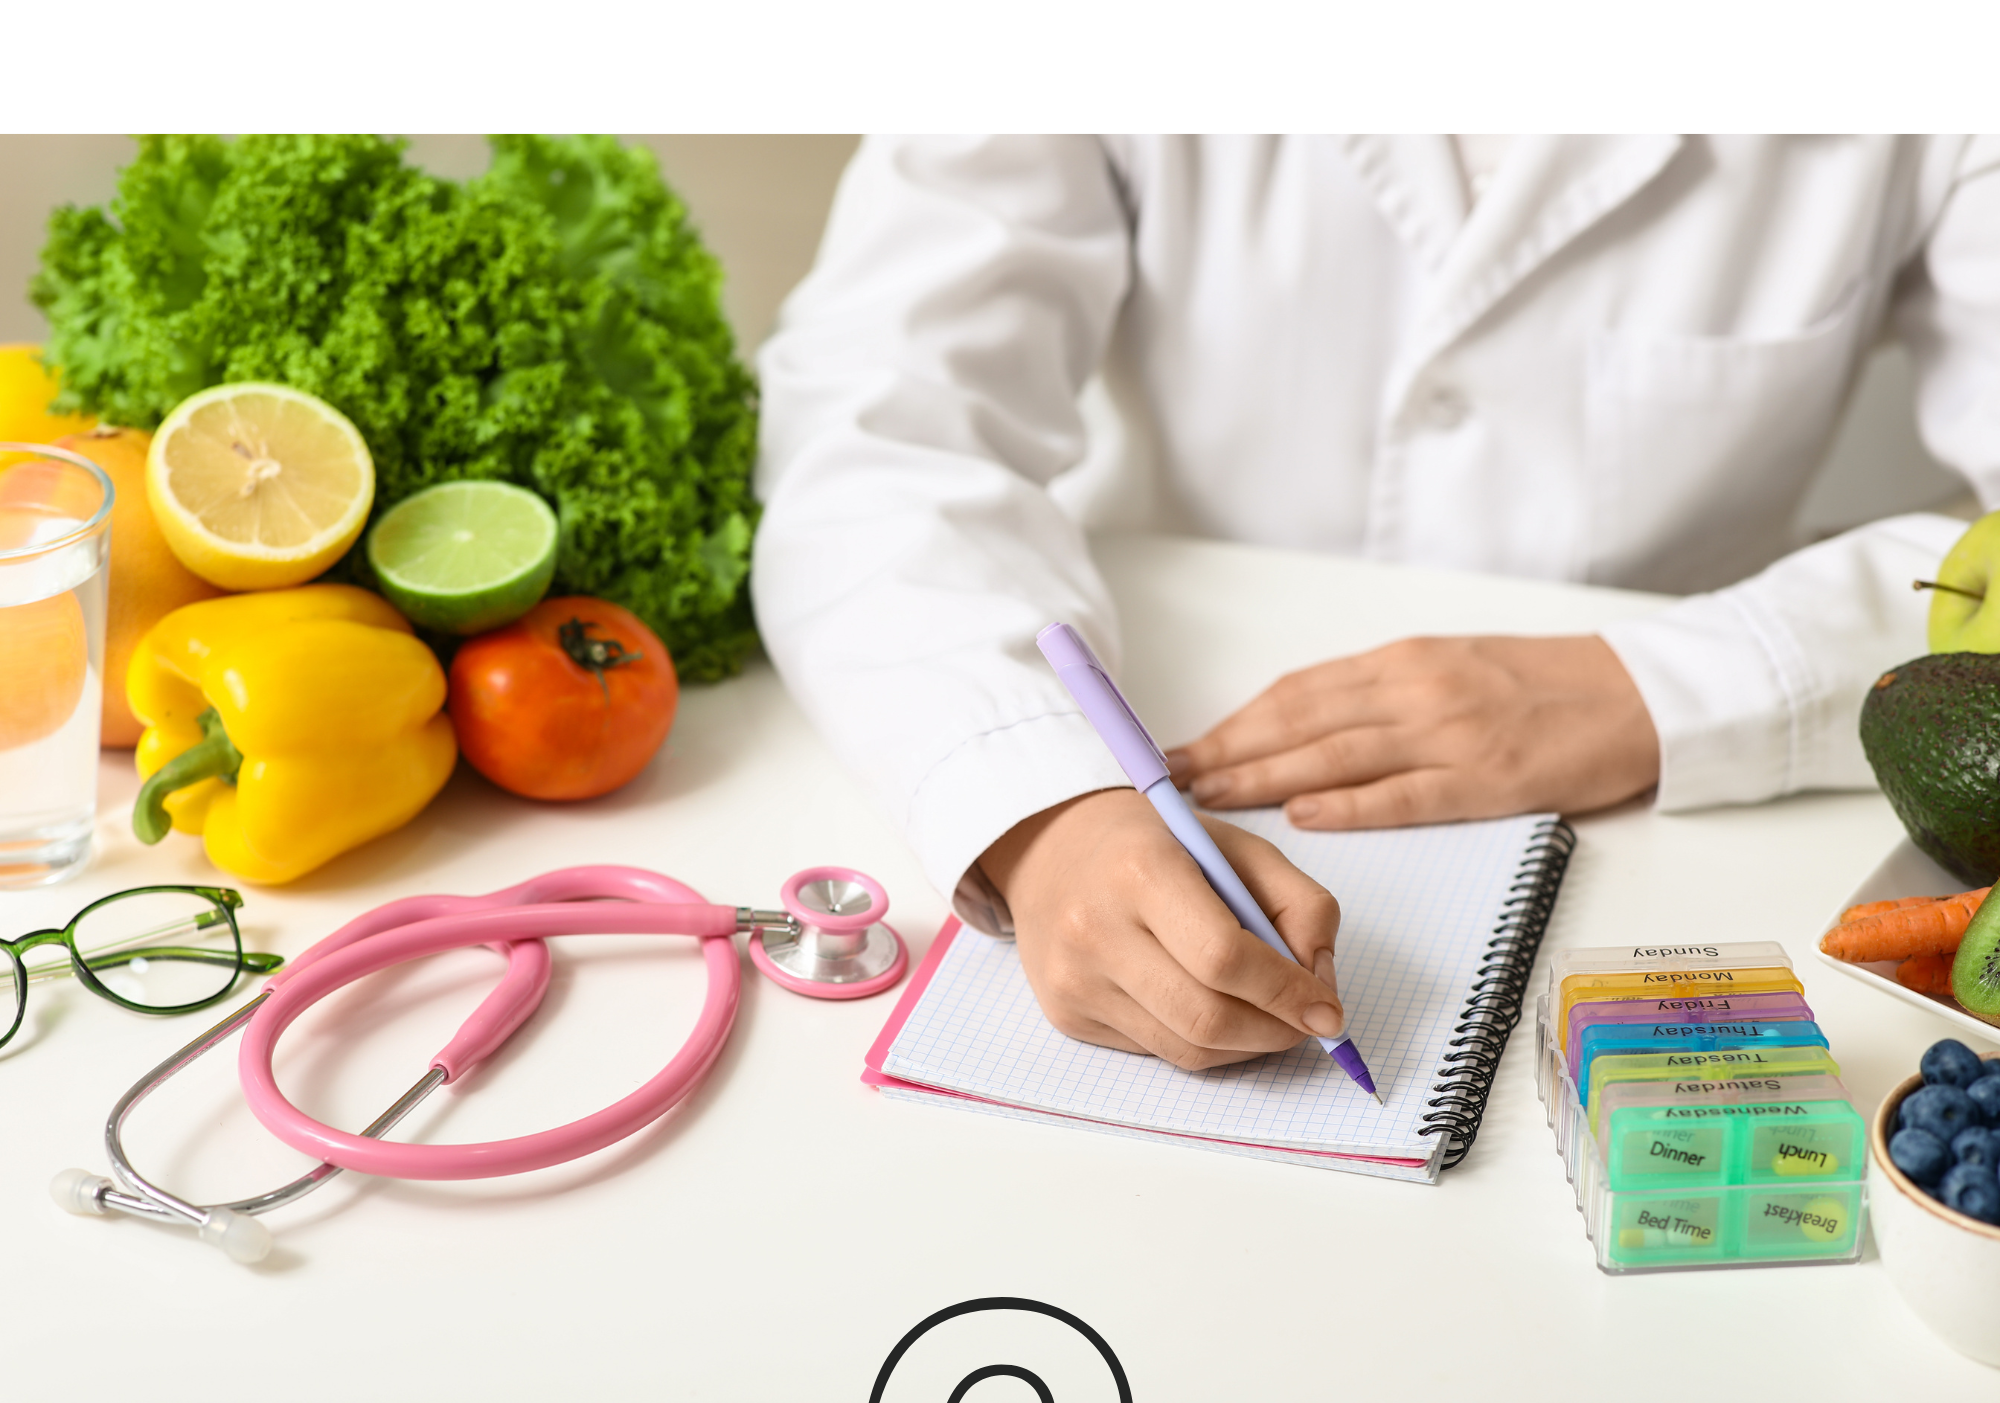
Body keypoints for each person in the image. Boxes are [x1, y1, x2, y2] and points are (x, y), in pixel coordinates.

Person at [751, 136, 2000, 1071]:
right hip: (1168, 710)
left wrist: (1693, 677)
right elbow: (874, 422)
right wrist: (1033, 803)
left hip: (1663, 825)